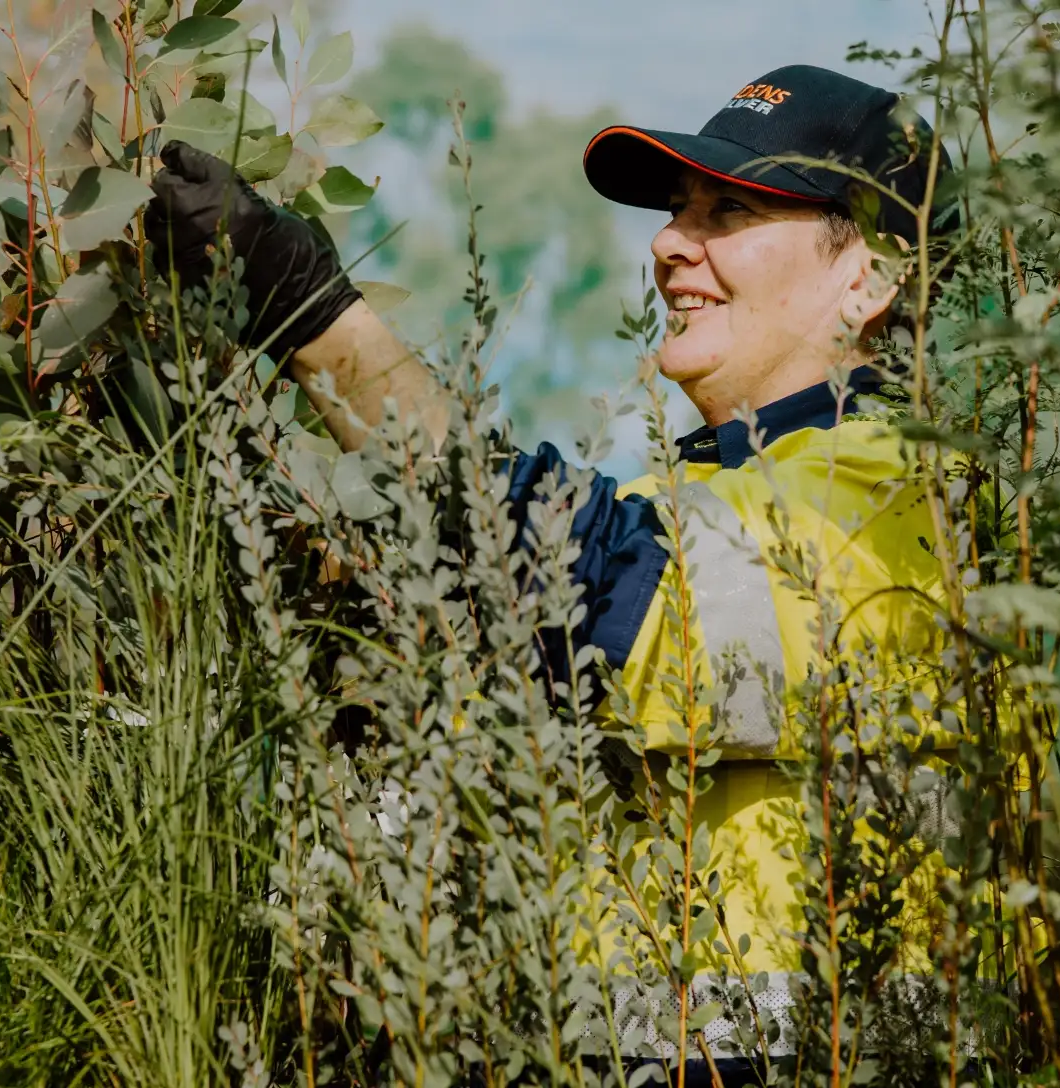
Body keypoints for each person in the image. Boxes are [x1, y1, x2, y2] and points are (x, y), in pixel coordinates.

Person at [149, 64, 960, 1086]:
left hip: (805, 1058)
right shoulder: (712, 489)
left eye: (730, 209)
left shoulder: (901, 499)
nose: (670, 245)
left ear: (873, 277)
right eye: (677, 211)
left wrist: (315, 321)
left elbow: (610, 598)